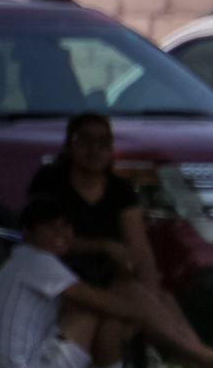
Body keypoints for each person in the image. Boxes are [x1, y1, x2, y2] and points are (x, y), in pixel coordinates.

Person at [0, 197, 213, 368]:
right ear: (28, 235)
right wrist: (142, 308)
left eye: (64, 226)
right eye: (49, 228)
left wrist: (145, 306)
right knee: (108, 306)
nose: (60, 234)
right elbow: (94, 300)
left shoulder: (18, 264)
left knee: (148, 299)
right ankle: (203, 362)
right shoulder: (38, 262)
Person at [26, 113, 160, 296]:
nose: (94, 149)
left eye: (103, 142)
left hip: (111, 281)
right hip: (62, 281)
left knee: (162, 301)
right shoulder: (49, 182)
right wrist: (105, 246)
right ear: (68, 145)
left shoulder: (120, 190)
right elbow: (42, 239)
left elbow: (139, 249)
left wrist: (151, 292)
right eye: (85, 141)